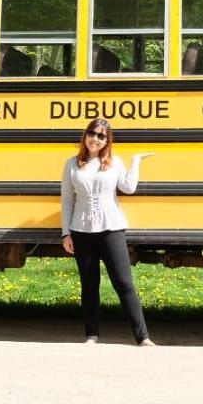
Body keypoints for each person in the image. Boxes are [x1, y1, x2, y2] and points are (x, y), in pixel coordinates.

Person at [60, 119, 155, 345]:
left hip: (111, 229)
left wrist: (135, 162)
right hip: (81, 231)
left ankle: (143, 338)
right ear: (85, 135)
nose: (95, 139)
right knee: (89, 286)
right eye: (92, 133)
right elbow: (67, 200)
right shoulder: (72, 164)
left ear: (107, 141)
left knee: (124, 283)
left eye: (101, 136)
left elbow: (128, 188)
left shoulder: (114, 162)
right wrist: (66, 233)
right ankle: (92, 335)